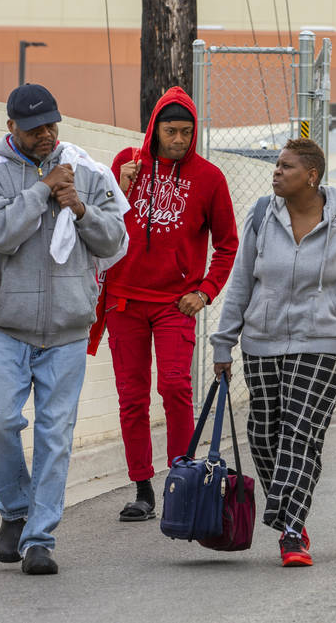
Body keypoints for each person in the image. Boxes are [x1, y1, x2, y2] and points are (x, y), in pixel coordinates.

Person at [0, 83, 126, 574]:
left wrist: (79, 206)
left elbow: (115, 237)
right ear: (11, 127)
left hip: (69, 326)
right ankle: (15, 508)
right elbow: (2, 234)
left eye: (52, 123)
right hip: (6, 325)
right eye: (34, 129)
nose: (46, 134)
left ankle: (39, 539)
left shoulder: (87, 168)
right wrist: (41, 189)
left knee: (56, 434)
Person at [210, 138, 336, 567]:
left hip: (326, 343)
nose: (276, 172)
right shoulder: (260, 216)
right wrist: (224, 341)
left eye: (286, 166)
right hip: (262, 340)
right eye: (276, 165)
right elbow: (241, 284)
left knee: (301, 431)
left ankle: (291, 527)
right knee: (263, 431)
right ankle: (289, 511)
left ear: (312, 175)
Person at [95, 86, 239, 522]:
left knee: (175, 386)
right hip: (125, 301)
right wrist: (117, 187)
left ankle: (181, 477)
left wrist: (205, 291)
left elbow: (228, 245)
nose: (178, 139)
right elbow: (101, 222)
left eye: (186, 131)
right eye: (170, 130)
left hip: (175, 304)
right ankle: (142, 486)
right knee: (131, 397)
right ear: (154, 129)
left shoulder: (210, 178)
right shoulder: (127, 164)